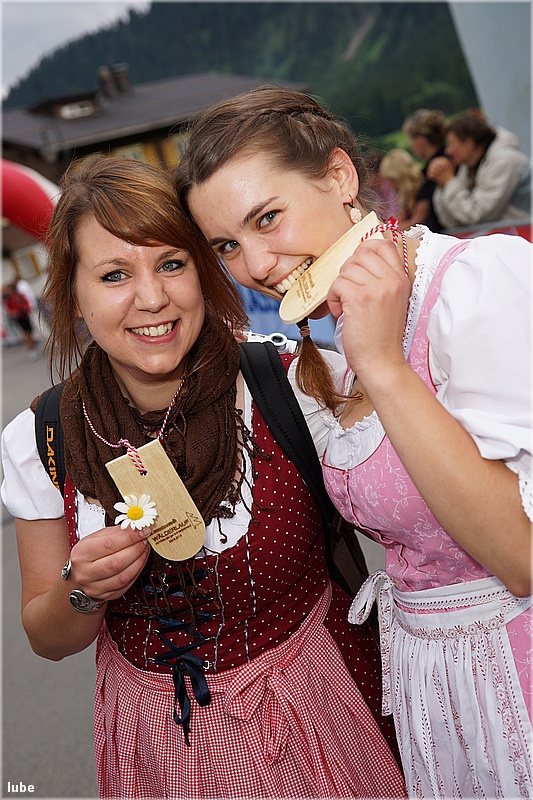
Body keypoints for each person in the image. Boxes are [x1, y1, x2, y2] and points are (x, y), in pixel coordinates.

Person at [0, 156, 405, 800]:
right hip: (156, 748)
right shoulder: (42, 438)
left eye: (171, 263)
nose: (152, 299)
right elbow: (48, 639)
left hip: (325, 717)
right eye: (114, 274)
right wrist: (82, 588)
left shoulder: (292, 384)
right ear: (72, 295)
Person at [175, 84, 533, 799]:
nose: (257, 264)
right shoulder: (331, 349)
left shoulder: (476, 283)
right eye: (227, 246)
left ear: (340, 177)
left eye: (267, 217)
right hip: (434, 689)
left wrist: (384, 369)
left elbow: (522, 557)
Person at [427, 110, 531, 229]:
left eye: (451, 144)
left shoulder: (505, 161)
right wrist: (443, 186)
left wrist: (449, 183)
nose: (447, 151)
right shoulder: (468, 165)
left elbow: (477, 215)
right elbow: (454, 221)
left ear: (469, 143)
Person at [402, 108, 447, 231]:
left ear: (419, 139)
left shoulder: (435, 170)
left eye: (411, 140)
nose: (411, 146)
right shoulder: (450, 158)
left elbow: (418, 220)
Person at [378, 148, 424, 231]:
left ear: (401, 177)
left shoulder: (424, 193)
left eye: (392, 180)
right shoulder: (406, 199)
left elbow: (414, 223)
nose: (390, 185)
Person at [2, 280, 40, 358]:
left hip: (25, 316)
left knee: (30, 332)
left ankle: (33, 347)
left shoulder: (19, 296)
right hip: (18, 318)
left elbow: (26, 304)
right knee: (25, 334)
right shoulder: (8, 300)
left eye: (9, 289)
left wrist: (26, 309)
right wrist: (13, 313)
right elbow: (8, 310)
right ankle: (31, 350)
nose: (8, 291)